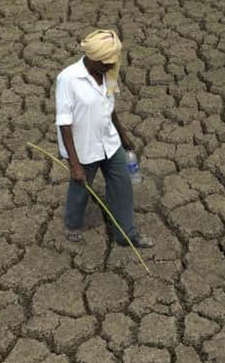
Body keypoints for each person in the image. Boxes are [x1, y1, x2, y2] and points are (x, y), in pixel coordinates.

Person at [55, 29, 154, 248]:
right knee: (81, 188)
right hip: (83, 147)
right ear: (92, 58)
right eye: (106, 62)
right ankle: (72, 225)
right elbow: (64, 123)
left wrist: (122, 134)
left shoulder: (108, 72)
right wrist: (74, 164)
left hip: (109, 142)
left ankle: (127, 234)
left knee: (122, 185)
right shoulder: (68, 79)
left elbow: (109, 106)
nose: (111, 66)